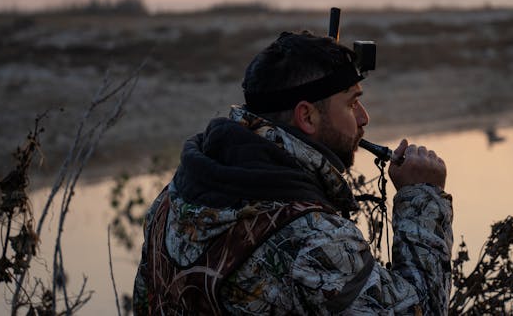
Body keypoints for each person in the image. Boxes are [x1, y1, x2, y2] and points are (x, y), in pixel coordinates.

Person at [133, 31, 453, 315]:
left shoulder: (176, 195)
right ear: (307, 117)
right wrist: (422, 198)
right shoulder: (313, 238)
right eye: (351, 103)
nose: (364, 117)